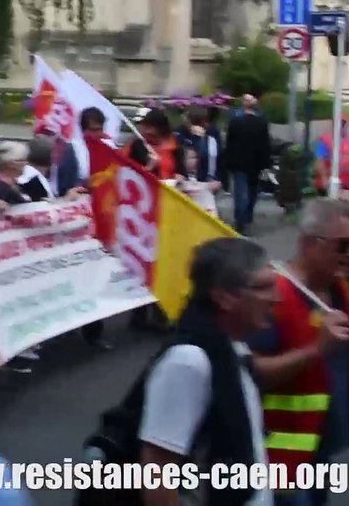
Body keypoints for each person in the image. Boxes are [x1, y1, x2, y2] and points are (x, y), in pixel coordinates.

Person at [139, 238, 278, 506]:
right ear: (224, 297)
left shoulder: (229, 344)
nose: (276, 298)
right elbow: (157, 473)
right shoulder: (189, 361)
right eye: (263, 287)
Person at [250, 199, 349, 506]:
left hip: (323, 449)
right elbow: (251, 373)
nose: (348, 256)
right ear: (309, 244)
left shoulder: (339, 289)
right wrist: (315, 350)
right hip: (281, 459)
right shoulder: (274, 296)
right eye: (342, 246)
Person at [224, 94, 272, 235]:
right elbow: (265, 145)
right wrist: (265, 164)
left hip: (238, 162)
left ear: (244, 106)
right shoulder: (261, 124)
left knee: (240, 192)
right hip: (255, 163)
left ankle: (240, 220)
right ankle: (248, 214)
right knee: (252, 190)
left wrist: (228, 162)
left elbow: (229, 143)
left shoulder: (235, 123)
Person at [125, 108, 186, 181]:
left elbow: (182, 172)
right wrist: (149, 167)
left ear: (162, 130)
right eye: (146, 126)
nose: (147, 131)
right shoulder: (137, 146)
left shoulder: (175, 147)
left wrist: (179, 178)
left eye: (152, 133)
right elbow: (126, 176)